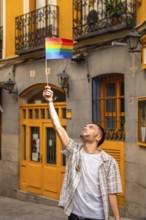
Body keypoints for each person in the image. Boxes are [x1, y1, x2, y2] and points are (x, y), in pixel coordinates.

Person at [43, 86, 122, 220]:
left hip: (97, 217)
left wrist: (117, 218)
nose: (86, 127)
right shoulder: (75, 151)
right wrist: (50, 101)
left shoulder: (109, 161)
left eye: (91, 127)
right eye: (85, 125)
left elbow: (112, 193)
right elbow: (58, 127)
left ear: (98, 137)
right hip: (74, 215)